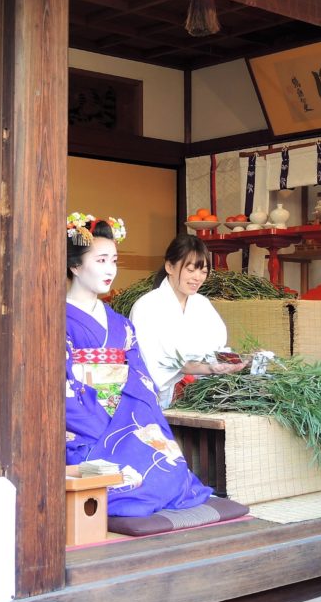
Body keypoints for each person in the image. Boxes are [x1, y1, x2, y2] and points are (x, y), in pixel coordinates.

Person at [65, 212, 213, 517]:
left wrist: (131, 422)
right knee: (127, 480)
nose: (111, 270)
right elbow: (62, 382)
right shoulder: (57, 320)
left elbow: (140, 379)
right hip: (83, 428)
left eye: (115, 261)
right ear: (75, 265)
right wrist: (104, 426)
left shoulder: (120, 324)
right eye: (101, 260)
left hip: (125, 420)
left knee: (169, 471)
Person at [129, 234, 247, 408]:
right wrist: (208, 368)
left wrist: (233, 362)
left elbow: (216, 350)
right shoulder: (146, 306)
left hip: (200, 395)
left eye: (203, 271)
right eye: (190, 270)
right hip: (158, 401)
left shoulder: (202, 304)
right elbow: (157, 364)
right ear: (170, 266)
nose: (198, 277)